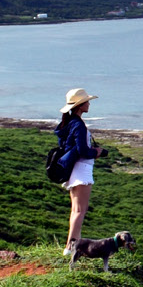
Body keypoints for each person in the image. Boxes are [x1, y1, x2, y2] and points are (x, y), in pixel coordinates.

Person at [54, 87, 103, 255]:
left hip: (74, 170)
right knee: (80, 211)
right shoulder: (78, 124)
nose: (89, 103)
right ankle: (70, 247)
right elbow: (83, 150)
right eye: (87, 101)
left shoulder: (68, 123)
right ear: (80, 105)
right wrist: (97, 153)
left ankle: (74, 246)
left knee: (75, 210)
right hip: (82, 169)